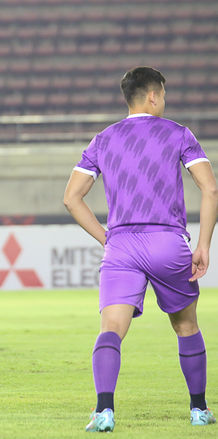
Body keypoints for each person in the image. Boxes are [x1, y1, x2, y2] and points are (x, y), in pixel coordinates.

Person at [63, 67, 218, 432]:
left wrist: (106, 238)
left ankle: (104, 411)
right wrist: (204, 245)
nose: (163, 101)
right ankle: (198, 410)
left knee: (110, 330)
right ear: (153, 96)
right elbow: (210, 190)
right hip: (167, 241)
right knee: (186, 327)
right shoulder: (179, 133)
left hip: (122, 246)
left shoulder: (103, 138)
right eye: (162, 94)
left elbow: (71, 198)